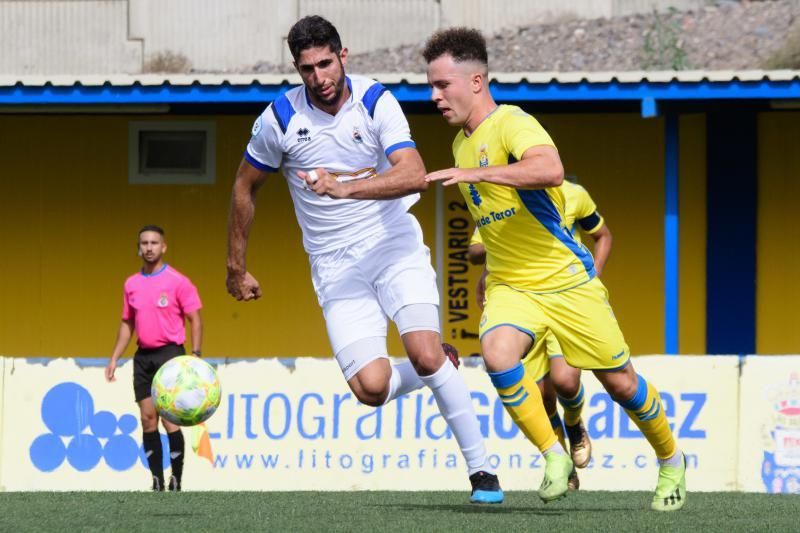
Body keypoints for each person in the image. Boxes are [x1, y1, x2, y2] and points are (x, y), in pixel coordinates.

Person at [225, 15, 503, 503]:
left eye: (326, 63)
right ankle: (442, 361)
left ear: (343, 56)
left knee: (422, 349)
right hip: (334, 268)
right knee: (371, 388)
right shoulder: (280, 119)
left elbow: (414, 174)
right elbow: (245, 186)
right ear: (297, 68)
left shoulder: (376, 101)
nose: (319, 77)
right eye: (307, 69)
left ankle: (483, 474)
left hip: (393, 245)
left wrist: (344, 187)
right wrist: (235, 265)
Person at [424, 27, 686, 510]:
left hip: (565, 281)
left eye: (443, 85)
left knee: (620, 382)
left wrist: (477, 173)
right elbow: (498, 219)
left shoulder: (512, 123)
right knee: (498, 355)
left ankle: (671, 458)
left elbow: (550, 171)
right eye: (432, 86)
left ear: (477, 80)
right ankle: (554, 455)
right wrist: (488, 264)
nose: (434, 96)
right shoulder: (461, 144)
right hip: (511, 285)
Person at [469, 178, 613, 490]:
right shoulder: (499, 200)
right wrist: (489, 251)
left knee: (565, 380)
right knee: (543, 398)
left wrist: (592, 276)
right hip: (521, 303)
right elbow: (475, 249)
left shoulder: (574, 194)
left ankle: (574, 424)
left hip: (562, 297)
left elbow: (602, 235)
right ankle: (562, 464)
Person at [105, 225, 203, 492]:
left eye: (154, 243)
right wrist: (115, 357)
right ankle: (157, 480)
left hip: (170, 355)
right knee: (148, 418)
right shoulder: (131, 284)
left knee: (170, 419)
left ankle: (177, 479)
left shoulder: (177, 281)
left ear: (163, 247)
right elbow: (127, 323)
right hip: (143, 357)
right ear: (139, 247)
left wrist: (195, 355)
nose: (149, 248)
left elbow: (195, 318)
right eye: (144, 243)